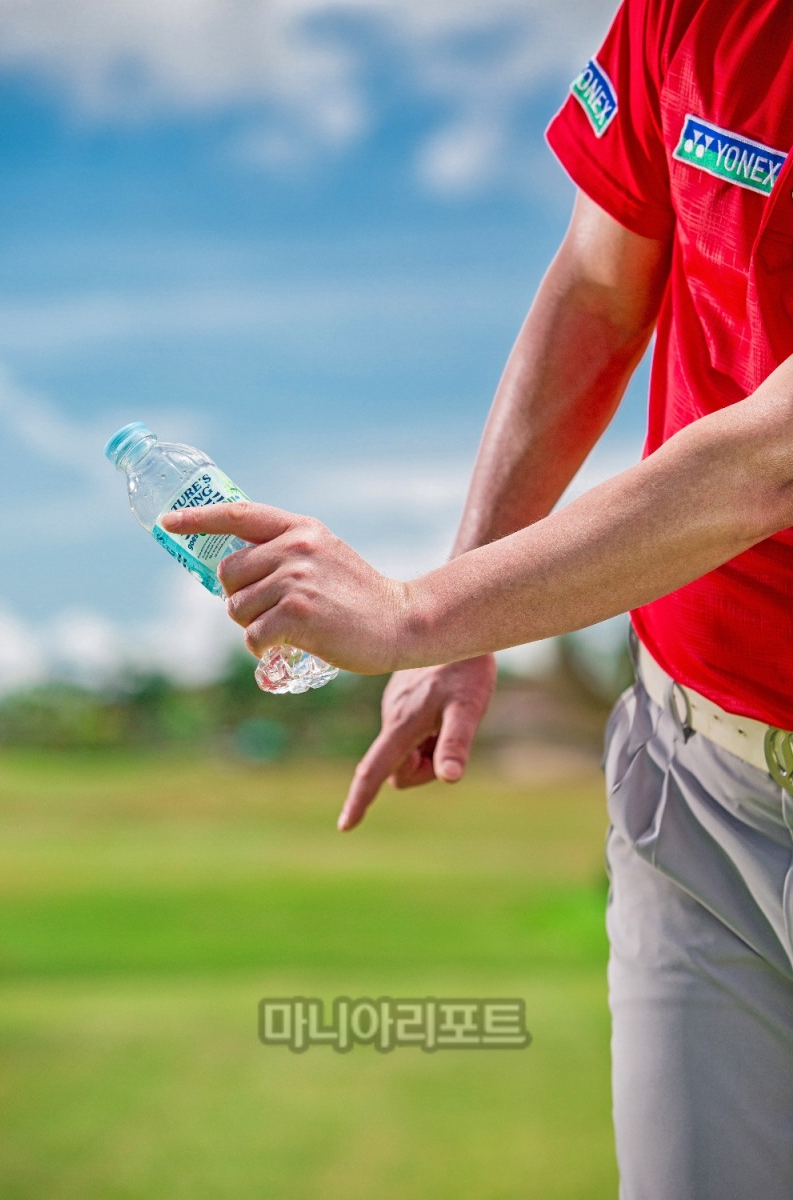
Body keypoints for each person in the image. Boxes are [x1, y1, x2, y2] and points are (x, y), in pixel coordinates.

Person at [163, 0, 793, 1193]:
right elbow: (602, 288)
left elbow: (770, 459)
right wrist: (465, 614)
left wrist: (419, 611)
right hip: (693, 776)